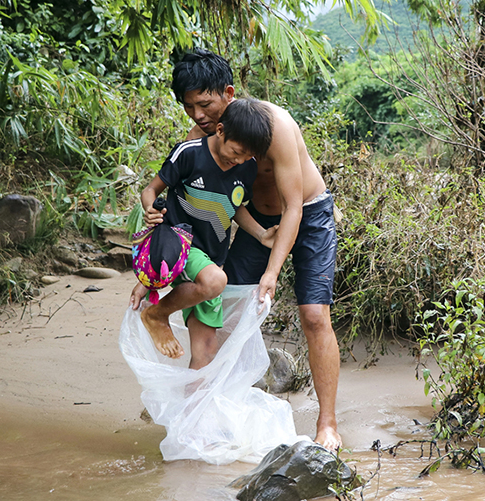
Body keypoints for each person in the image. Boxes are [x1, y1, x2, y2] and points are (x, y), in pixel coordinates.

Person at [134, 48, 342, 451]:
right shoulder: (204, 140)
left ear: (227, 93)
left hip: (308, 214)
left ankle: (328, 423)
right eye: (189, 106)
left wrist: (272, 271)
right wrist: (148, 275)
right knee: (221, 317)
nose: (197, 115)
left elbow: (294, 206)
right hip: (253, 224)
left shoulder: (273, 126)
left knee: (314, 316)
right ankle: (204, 414)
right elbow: (178, 208)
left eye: (205, 104)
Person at [135, 98, 277, 370]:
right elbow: (150, 190)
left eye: (247, 157)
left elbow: (232, 207)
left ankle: (189, 412)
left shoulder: (246, 168)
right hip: (179, 244)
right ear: (220, 130)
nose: (239, 160)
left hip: (211, 258)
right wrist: (150, 207)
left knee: (206, 351)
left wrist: (261, 235)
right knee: (215, 281)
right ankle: (157, 314)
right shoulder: (189, 153)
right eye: (236, 152)